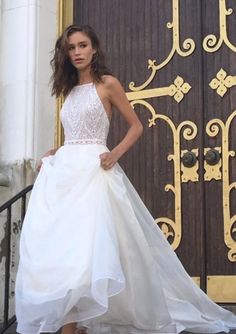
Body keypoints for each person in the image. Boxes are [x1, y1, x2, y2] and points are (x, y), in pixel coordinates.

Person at [15, 24, 236, 334]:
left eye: (82, 45)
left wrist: (115, 153)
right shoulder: (67, 90)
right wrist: (55, 150)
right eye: (71, 48)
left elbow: (136, 126)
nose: (77, 52)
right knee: (63, 251)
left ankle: (77, 323)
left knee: (88, 250)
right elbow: (73, 135)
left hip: (95, 174)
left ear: (94, 49)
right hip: (66, 173)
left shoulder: (107, 84)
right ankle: (73, 321)